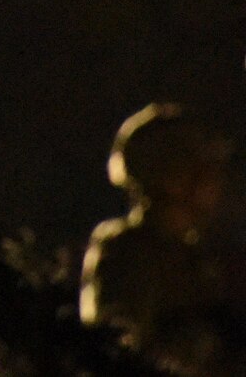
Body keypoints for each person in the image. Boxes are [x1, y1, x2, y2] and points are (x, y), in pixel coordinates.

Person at [82, 103, 246, 375]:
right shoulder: (129, 252)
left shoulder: (196, 257)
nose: (215, 183)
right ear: (175, 178)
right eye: (202, 169)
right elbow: (118, 347)